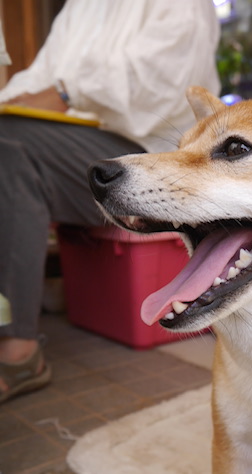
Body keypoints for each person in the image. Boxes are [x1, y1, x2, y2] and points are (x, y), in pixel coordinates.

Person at [0, 0, 220, 403]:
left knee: (7, 148)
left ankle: (19, 351)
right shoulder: (79, 7)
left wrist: (66, 92)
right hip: (78, 136)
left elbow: (165, 76)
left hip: (149, 148)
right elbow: (35, 80)